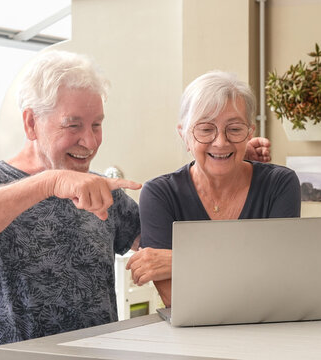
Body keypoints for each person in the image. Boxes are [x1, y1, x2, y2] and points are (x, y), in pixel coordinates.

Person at [0, 51, 272, 360]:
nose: (90, 141)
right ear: (31, 123)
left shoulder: (104, 192)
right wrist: (48, 182)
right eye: (73, 125)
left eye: (96, 125)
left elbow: (182, 249)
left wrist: (226, 166)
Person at [126, 71, 301, 307]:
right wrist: (253, 266)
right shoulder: (160, 194)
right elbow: (177, 299)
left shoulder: (279, 184)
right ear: (184, 135)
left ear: (250, 133)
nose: (221, 142)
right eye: (206, 129)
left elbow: (280, 281)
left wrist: (182, 262)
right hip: (190, 340)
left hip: (269, 335)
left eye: (235, 129)